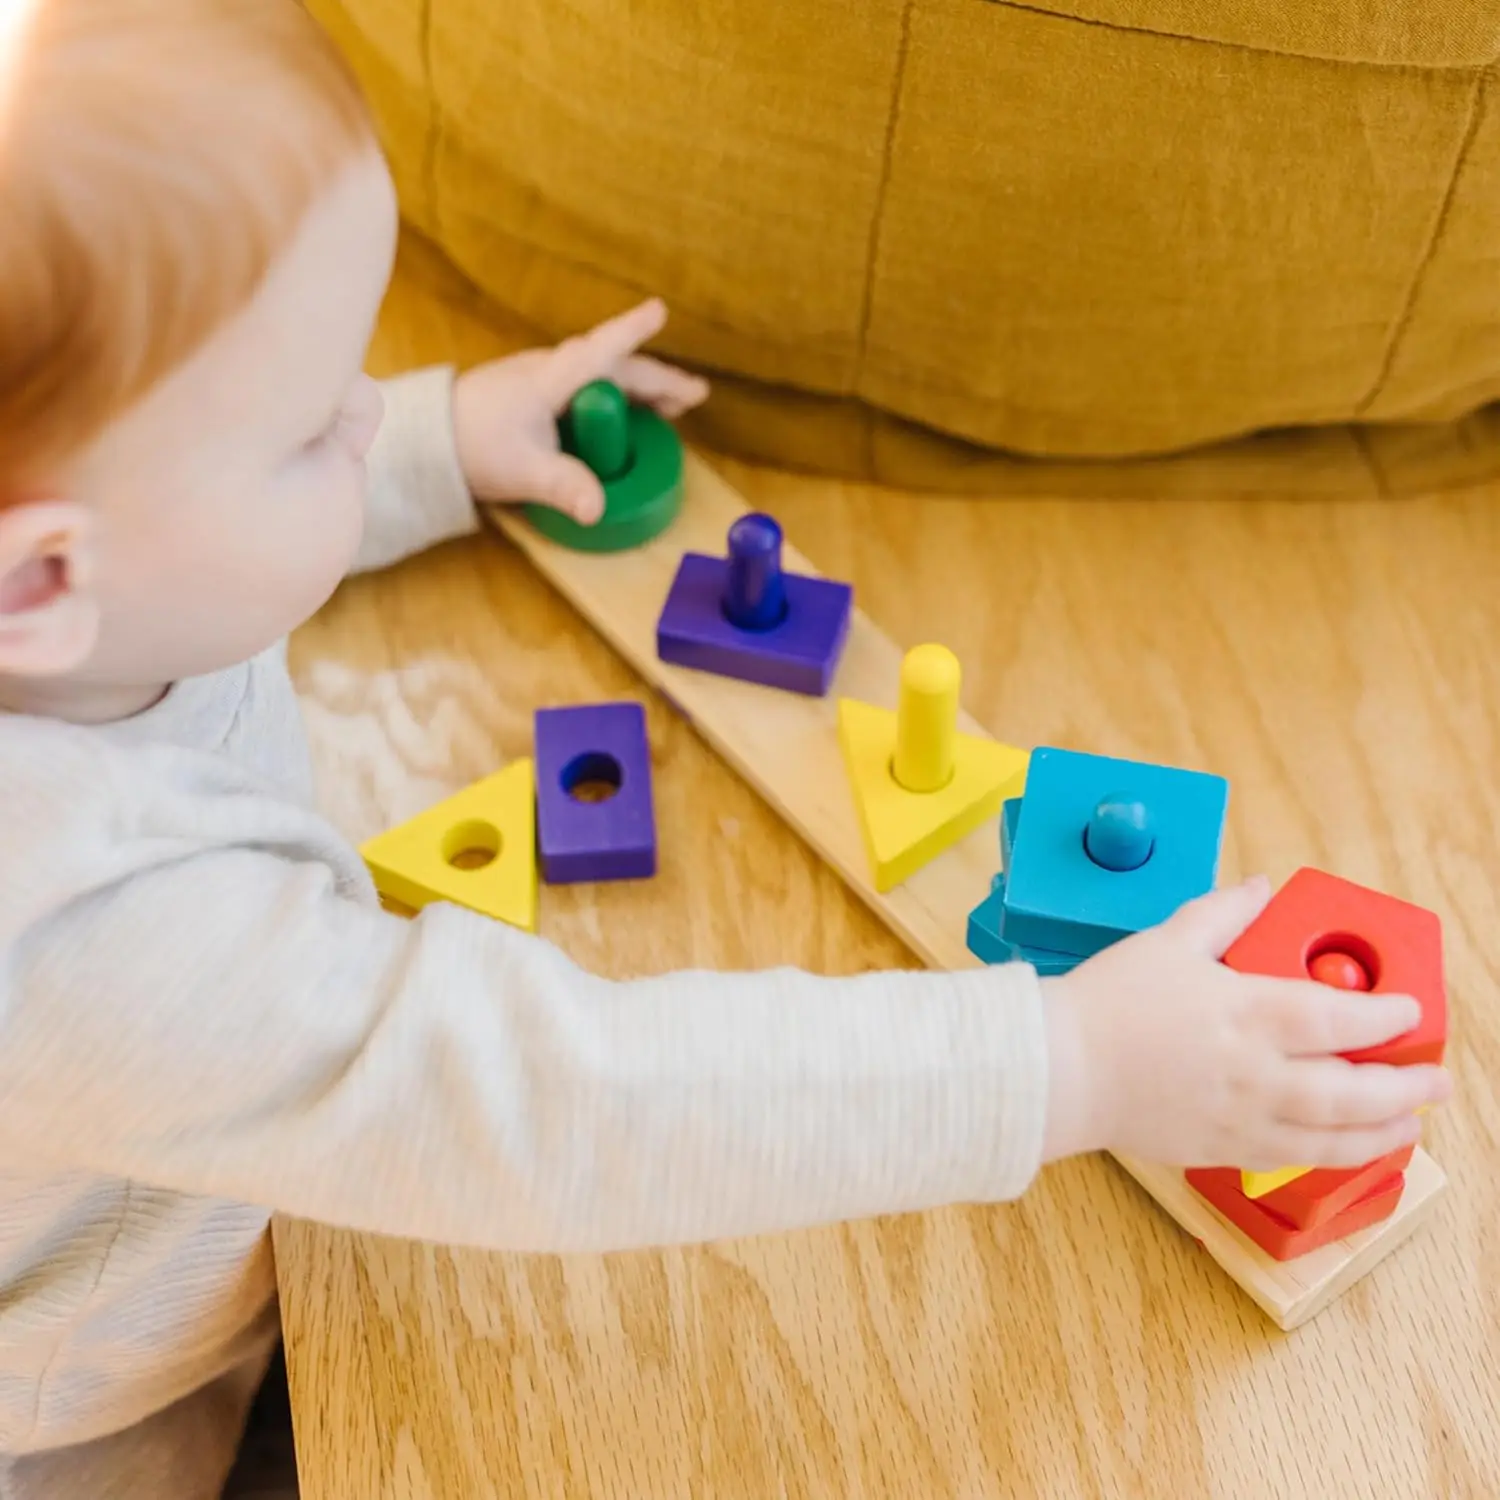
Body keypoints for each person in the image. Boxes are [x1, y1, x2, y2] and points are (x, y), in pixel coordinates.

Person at [0, 3, 1450, 1496]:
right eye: (313, 424)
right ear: (40, 582)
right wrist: (1067, 1062)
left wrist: (440, 443)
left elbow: (169, 557)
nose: (366, 413)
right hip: (89, 1417)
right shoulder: (92, 935)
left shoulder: (77, 593)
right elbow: (551, 1105)